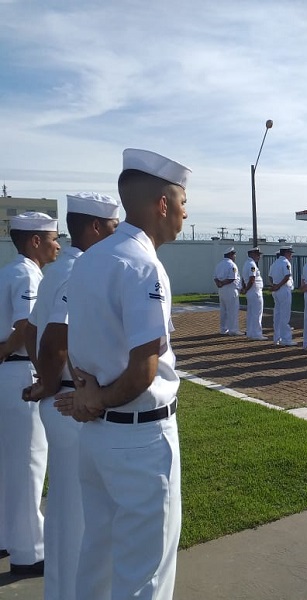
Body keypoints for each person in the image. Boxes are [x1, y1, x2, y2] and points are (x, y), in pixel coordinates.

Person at [53, 147, 190, 600]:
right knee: (144, 574)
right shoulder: (143, 265)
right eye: (184, 203)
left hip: (97, 439)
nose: (186, 215)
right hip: (139, 440)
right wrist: (99, 399)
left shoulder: (91, 257)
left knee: (98, 559)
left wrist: (90, 395)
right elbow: (144, 369)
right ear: (163, 204)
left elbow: (76, 341)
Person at [23, 192, 120, 599]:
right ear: (95, 228)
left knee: (67, 508)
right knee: (82, 513)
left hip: (61, 397)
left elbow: (29, 330)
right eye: (114, 228)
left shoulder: (57, 271)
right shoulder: (79, 271)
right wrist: (51, 381)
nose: (118, 235)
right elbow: (55, 337)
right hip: (70, 403)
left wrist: (47, 379)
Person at [0, 211, 60, 576]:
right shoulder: (26, 273)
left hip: (8, 371)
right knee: (28, 462)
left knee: (10, 462)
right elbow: (26, 327)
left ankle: (8, 536)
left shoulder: (9, 270)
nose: (58, 244)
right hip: (19, 369)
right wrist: (43, 372)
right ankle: (29, 551)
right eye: (54, 237)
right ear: (34, 240)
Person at [269, 245, 296, 346]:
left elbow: (270, 276)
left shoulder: (275, 263)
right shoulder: (285, 263)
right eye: (290, 253)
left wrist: (274, 285)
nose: (291, 256)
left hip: (276, 290)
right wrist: (279, 285)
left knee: (277, 315)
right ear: (287, 253)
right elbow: (287, 276)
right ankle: (286, 339)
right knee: (285, 315)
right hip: (283, 289)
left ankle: (277, 337)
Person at [213, 247, 241, 335]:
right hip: (230, 289)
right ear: (230, 255)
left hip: (221, 290)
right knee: (232, 310)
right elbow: (232, 278)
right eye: (234, 254)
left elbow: (215, 277)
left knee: (223, 310)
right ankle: (233, 330)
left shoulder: (219, 265)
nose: (235, 256)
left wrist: (219, 283)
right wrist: (223, 283)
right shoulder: (232, 265)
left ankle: (223, 329)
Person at [241, 247, 264, 340]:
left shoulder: (247, 263)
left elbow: (244, 278)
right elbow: (252, 279)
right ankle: (256, 334)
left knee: (251, 313)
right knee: (257, 313)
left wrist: (245, 289)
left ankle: (250, 332)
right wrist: (246, 289)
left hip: (251, 291)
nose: (259, 257)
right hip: (254, 291)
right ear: (252, 254)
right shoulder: (251, 264)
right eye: (257, 255)